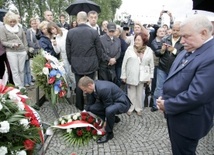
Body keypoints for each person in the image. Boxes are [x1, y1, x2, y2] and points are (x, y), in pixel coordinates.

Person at [157, 15, 214, 155]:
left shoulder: (211, 56)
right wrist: (164, 97)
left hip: (188, 121)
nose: (182, 41)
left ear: (204, 33)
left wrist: (168, 105)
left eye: (186, 36)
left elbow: (198, 94)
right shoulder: (189, 49)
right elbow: (175, 77)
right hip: (177, 116)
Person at [66, 11, 103, 110]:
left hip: (77, 64)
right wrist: (97, 62)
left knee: (79, 86)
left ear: (77, 20)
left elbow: (68, 51)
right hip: (91, 64)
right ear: (87, 19)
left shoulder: (70, 32)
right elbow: (99, 50)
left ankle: (79, 107)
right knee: (90, 85)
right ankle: (90, 107)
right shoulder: (93, 32)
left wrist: (71, 62)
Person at [78, 76, 131, 143]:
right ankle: (114, 119)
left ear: (89, 85)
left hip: (122, 102)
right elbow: (90, 102)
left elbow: (108, 105)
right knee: (92, 108)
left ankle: (109, 133)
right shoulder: (93, 86)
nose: (84, 92)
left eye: (85, 90)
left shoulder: (102, 89)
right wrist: (83, 112)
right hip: (111, 102)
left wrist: (106, 121)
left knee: (109, 110)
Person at [153, 22, 184, 112]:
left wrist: (174, 50)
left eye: (177, 30)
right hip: (162, 67)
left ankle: (169, 105)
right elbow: (157, 53)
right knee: (159, 87)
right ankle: (156, 105)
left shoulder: (183, 41)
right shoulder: (165, 39)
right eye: (173, 30)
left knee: (172, 88)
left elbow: (184, 55)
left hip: (175, 69)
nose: (175, 32)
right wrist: (162, 50)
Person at [121, 32, 154, 116]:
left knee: (140, 93)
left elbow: (151, 65)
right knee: (131, 92)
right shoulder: (129, 49)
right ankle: (131, 107)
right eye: (135, 39)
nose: (136, 41)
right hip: (131, 74)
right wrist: (123, 75)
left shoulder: (149, 51)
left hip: (142, 76)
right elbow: (124, 63)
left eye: (139, 40)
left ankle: (138, 108)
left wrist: (150, 77)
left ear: (144, 41)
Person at [0, 12, 28, 89]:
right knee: (15, 70)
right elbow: (3, 41)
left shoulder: (19, 28)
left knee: (21, 70)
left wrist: (26, 50)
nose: (12, 23)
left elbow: (24, 40)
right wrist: (12, 45)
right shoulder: (3, 28)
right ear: (7, 21)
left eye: (14, 21)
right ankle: (19, 87)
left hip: (22, 51)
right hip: (11, 52)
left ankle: (22, 86)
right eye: (10, 22)